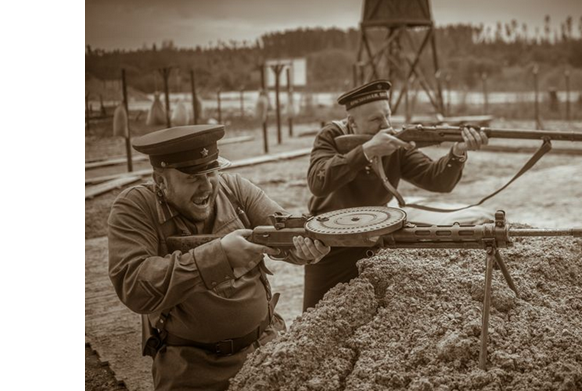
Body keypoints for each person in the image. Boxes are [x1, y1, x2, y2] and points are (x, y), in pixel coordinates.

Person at [107, 124, 330, 391]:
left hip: (266, 352)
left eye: (211, 172)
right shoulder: (135, 207)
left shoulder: (235, 189)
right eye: (192, 178)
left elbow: (283, 233)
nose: (207, 186)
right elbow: (134, 284)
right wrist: (220, 257)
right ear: (161, 181)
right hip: (193, 371)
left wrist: (305, 250)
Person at [303, 80, 486, 310]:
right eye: (375, 120)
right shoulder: (330, 136)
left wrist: (457, 153)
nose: (386, 125)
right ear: (352, 122)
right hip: (329, 245)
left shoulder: (393, 140)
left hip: (376, 239)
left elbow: (436, 179)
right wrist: (367, 151)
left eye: (387, 116)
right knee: (314, 317)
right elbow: (318, 181)